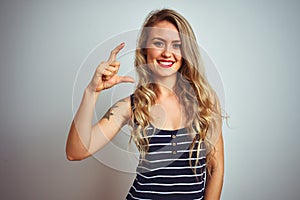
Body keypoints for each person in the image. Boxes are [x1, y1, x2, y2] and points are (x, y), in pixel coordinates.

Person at [66, 9, 224, 200]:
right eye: (159, 43)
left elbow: (216, 168)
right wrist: (92, 91)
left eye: (176, 45)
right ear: (145, 49)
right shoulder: (131, 107)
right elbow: (75, 152)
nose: (167, 53)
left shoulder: (205, 101)